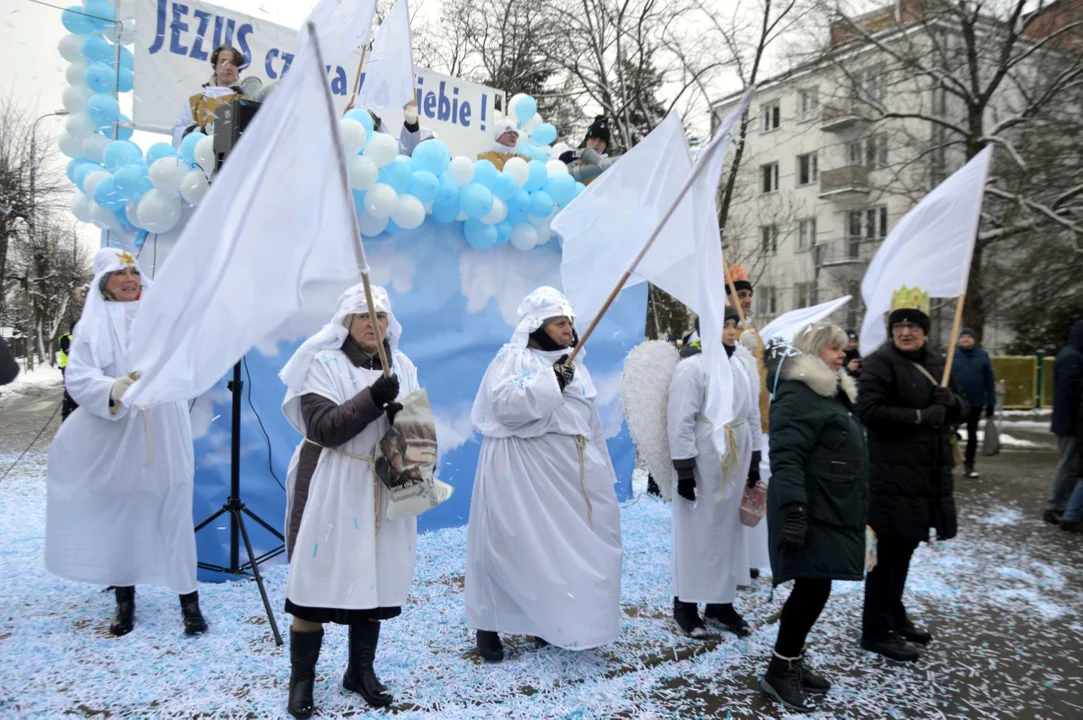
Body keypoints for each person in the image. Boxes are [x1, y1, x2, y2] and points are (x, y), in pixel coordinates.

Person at [44, 248, 205, 637]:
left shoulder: (163, 317)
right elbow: (79, 378)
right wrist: (114, 388)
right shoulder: (91, 327)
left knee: (174, 504)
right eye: (119, 274)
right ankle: (125, 599)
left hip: (164, 423)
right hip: (119, 430)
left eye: (133, 271)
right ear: (105, 284)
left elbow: (190, 359)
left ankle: (189, 601)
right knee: (122, 507)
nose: (130, 279)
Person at [278, 284, 420, 718]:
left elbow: (417, 434)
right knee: (315, 579)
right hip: (333, 480)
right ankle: (302, 679)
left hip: (382, 481)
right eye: (363, 316)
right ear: (345, 321)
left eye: (379, 317)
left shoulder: (405, 365)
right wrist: (376, 396)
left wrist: (406, 419)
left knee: (373, 573)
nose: (372, 325)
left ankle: (360, 671)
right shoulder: (322, 364)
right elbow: (325, 428)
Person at [467, 286, 622, 661]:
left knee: (558, 553)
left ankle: (547, 621)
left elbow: (590, 422)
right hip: (521, 470)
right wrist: (552, 381)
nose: (568, 329)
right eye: (559, 323)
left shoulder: (576, 365)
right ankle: (489, 625)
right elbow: (504, 406)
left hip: (571, 473)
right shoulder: (513, 358)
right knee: (512, 547)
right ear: (537, 326)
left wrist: (603, 470)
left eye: (569, 322)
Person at [759, 322, 866, 713]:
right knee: (811, 589)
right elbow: (786, 455)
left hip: (830, 504)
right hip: (811, 506)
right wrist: (795, 510)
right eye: (835, 349)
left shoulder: (829, 391)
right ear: (815, 349)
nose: (843, 355)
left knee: (815, 587)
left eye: (843, 349)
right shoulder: (800, 391)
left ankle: (791, 660)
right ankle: (780, 669)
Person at [856, 286, 967, 662]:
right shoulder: (879, 364)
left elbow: (961, 406)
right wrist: (920, 416)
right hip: (890, 479)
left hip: (925, 479)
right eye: (899, 326)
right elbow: (868, 412)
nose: (906, 332)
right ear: (891, 331)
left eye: (913, 327)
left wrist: (951, 404)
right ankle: (875, 630)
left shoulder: (939, 362)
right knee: (887, 555)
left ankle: (894, 615)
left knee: (905, 551)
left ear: (925, 330)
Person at [667, 305, 759, 639]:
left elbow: (750, 411)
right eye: (724, 325)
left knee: (727, 532)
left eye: (734, 325)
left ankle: (721, 603)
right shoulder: (693, 367)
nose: (732, 331)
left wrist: (755, 458)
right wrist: (685, 468)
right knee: (697, 532)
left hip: (735, 457)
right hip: (705, 459)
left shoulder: (741, 365)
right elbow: (680, 420)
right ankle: (686, 604)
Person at [1043, 320, 1083, 526]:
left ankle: (1061, 505)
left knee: (1069, 465)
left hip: (1068, 421)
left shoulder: (1070, 354)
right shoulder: (1073, 358)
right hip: (1071, 423)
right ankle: (1056, 506)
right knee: (1069, 465)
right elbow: (1071, 393)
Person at [171, 44, 249, 148]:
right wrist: (201, 132)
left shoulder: (244, 100)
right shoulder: (195, 101)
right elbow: (177, 133)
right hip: (194, 162)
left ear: (238, 69)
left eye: (233, 64)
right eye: (223, 62)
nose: (228, 67)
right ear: (215, 66)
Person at [951, 328, 996, 478]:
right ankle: (948, 462)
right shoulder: (953, 355)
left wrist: (991, 402)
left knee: (972, 435)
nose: (966, 339)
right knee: (949, 433)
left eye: (969, 337)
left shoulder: (982, 356)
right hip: (955, 402)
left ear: (974, 340)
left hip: (975, 402)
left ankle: (969, 465)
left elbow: (989, 380)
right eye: (963, 337)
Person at [59, 323, 79, 421]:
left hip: (80, 369)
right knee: (70, 394)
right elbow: (69, 352)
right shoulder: (65, 338)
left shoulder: (83, 338)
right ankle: (67, 418)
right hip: (68, 369)